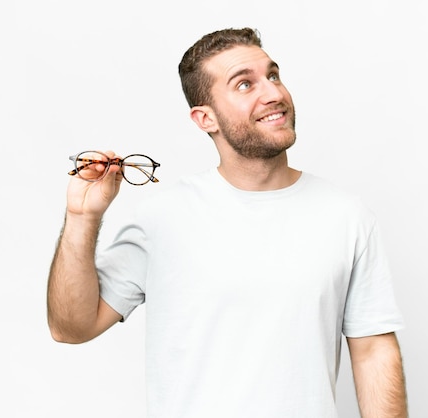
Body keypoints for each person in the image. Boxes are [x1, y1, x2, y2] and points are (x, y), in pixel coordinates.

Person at [47, 27, 408, 418]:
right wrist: (83, 218)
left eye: (273, 75)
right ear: (206, 118)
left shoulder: (347, 217)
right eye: (244, 84)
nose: (273, 93)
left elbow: (373, 353)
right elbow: (71, 327)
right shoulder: (162, 219)